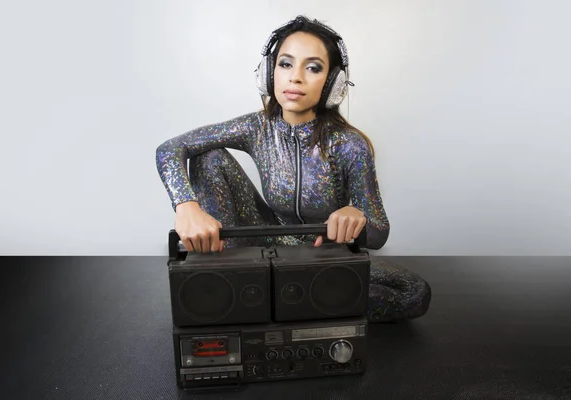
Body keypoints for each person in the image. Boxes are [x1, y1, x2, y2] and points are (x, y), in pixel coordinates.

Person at [156, 15, 431, 322]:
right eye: (286, 64)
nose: (295, 77)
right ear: (269, 72)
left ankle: (266, 293)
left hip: (322, 256)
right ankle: (241, 276)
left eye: (312, 67)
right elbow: (170, 148)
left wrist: (358, 217)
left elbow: (379, 232)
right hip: (257, 241)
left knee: (414, 293)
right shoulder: (256, 127)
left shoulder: (349, 145)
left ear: (332, 83)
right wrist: (186, 205)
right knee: (209, 156)